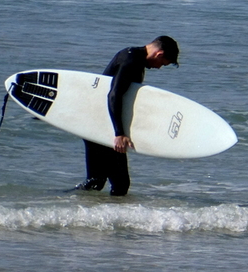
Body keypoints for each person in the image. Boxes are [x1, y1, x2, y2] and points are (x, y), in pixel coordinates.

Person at [75, 36, 180, 196]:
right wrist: (119, 134)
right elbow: (114, 95)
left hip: (98, 121)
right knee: (119, 183)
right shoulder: (131, 62)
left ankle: (77, 207)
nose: (159, 68)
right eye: (162, 64)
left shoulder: (132, 54)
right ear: (159, 54)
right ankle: (109, 217)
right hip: (104, 125)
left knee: (96, 181)